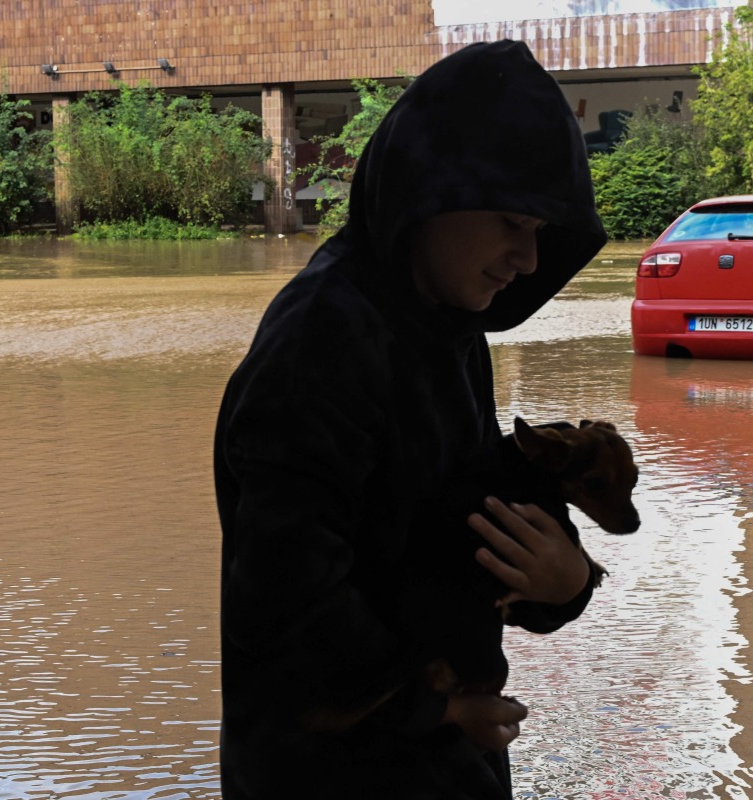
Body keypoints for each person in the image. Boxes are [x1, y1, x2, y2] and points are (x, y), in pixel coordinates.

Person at [213, 40, 608, 799]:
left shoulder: (449, 330)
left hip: (445, 762)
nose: (527, 259)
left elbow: (459, 539)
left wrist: (568, 582)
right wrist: (444, 707)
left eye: (539, 234)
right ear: (429, 192)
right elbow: (285, 607)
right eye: (507, 222)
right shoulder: (321, 344)